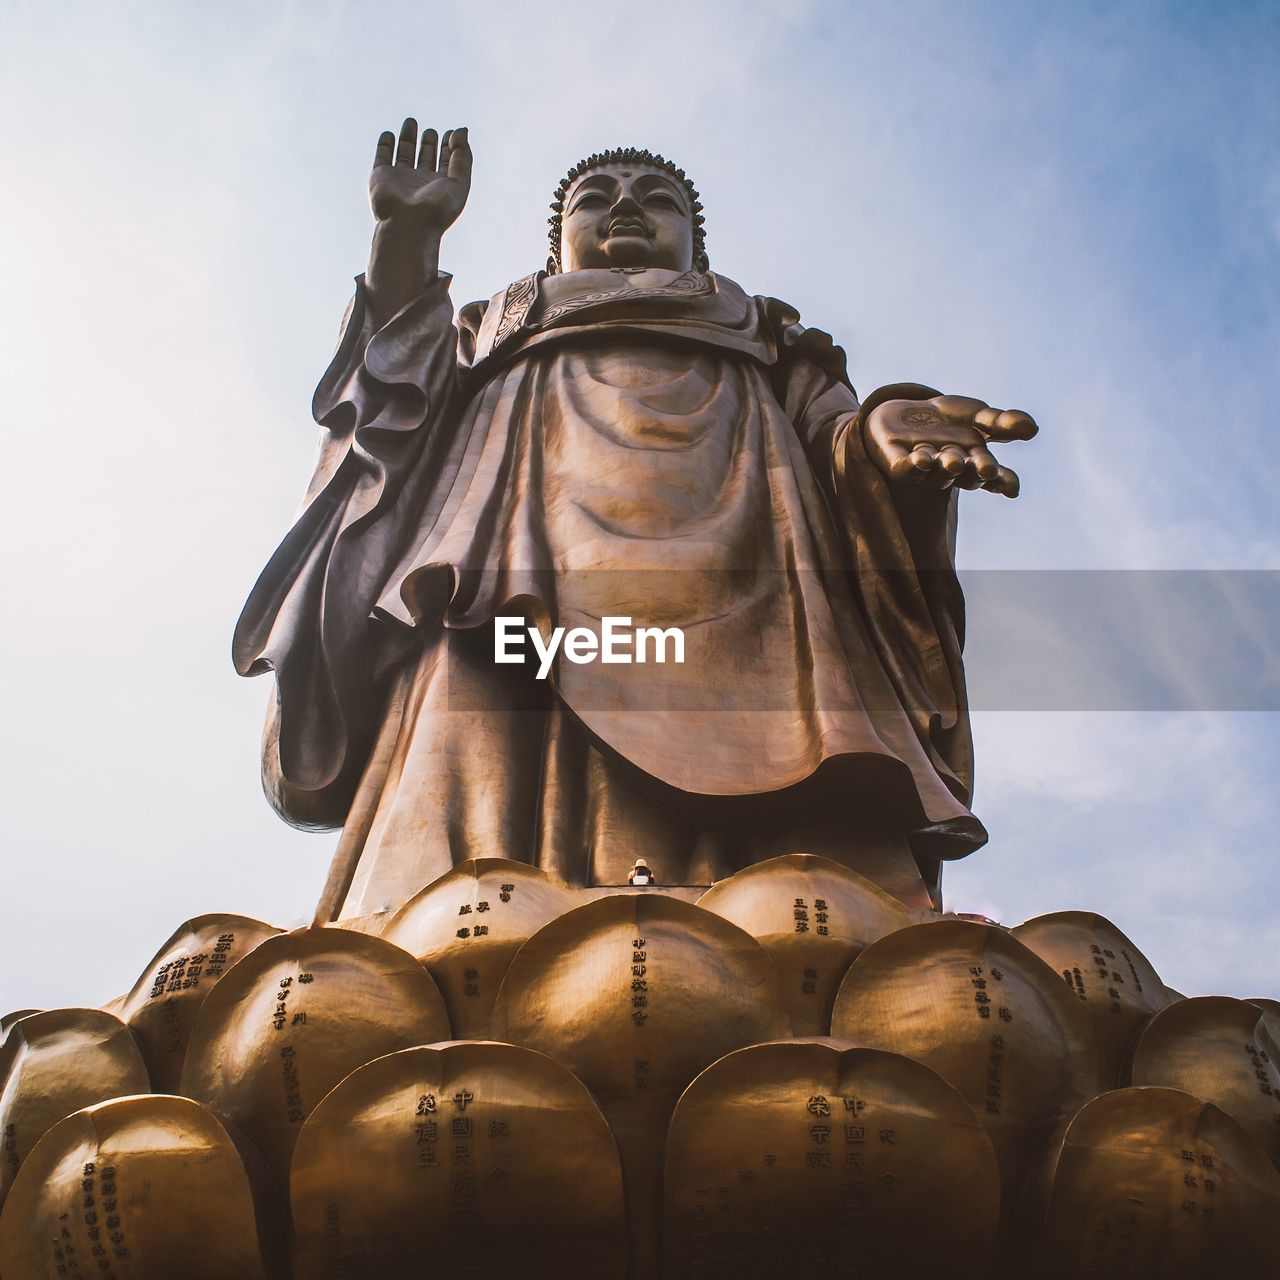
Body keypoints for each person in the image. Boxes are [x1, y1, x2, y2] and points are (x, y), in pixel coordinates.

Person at [235, 121, 1036, 920]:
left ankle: (787, 922)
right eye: (596, 200)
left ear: (697, 247)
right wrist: (404, 242)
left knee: (793, 838)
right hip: (507, 566)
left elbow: (831, 434)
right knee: (481, 730)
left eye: (659, 201)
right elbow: (387, 410)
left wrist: (879, 435)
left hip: (752, 580)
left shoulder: (759, 326)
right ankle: (455, 917)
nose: (626, 210)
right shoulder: (501, 318)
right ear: (559, 247)